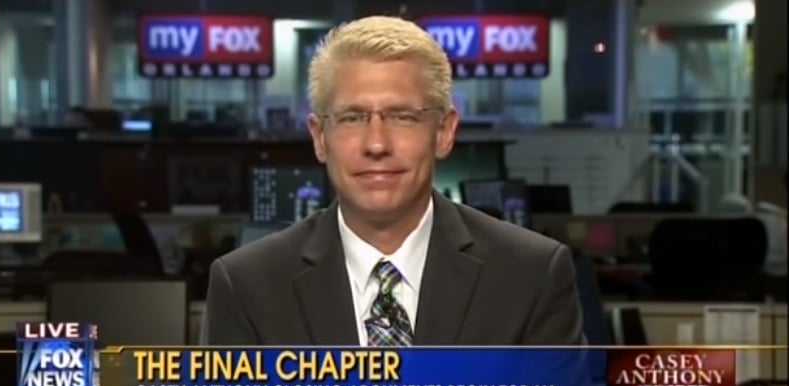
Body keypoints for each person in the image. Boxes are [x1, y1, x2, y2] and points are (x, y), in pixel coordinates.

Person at [202, 16, 588, 350]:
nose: (376, 144)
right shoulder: (247, 286)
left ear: (444, 132)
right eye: (352, 118)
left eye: (402, 116)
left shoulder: (531, 275)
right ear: (320, 138)